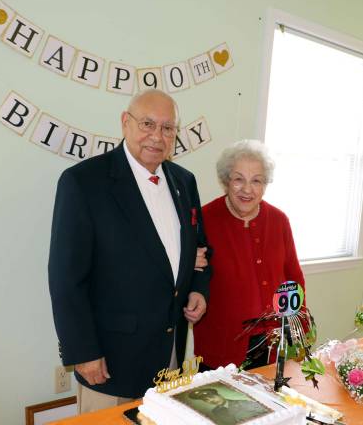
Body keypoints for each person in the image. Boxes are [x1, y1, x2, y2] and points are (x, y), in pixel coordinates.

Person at [48, 89, 210, 412]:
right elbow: (66, 278)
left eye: (167, 128)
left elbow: (201, 250)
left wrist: (198, 290)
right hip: (110, 362)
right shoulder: (83, 182)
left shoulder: (184, 181)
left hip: (170, 356)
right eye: (147, 123)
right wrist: (83, 352)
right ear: (125, 122)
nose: (157, 136)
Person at [194, 139, 305, 371]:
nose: (247, 189)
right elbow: (190, 277)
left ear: (265, 184)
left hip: (273, 344)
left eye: (256, 181)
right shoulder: (204, 220)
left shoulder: (279, 220)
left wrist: (296, 331)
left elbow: (292, 280)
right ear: (226, 181)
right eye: (238, 179)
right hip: (221, 346)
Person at [188, 387, 269, 425]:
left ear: (219, 394)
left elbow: (267, 413)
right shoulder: (216, 411)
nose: (211, 401)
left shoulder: (242, 402)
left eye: (212, 397)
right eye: (206, 400)